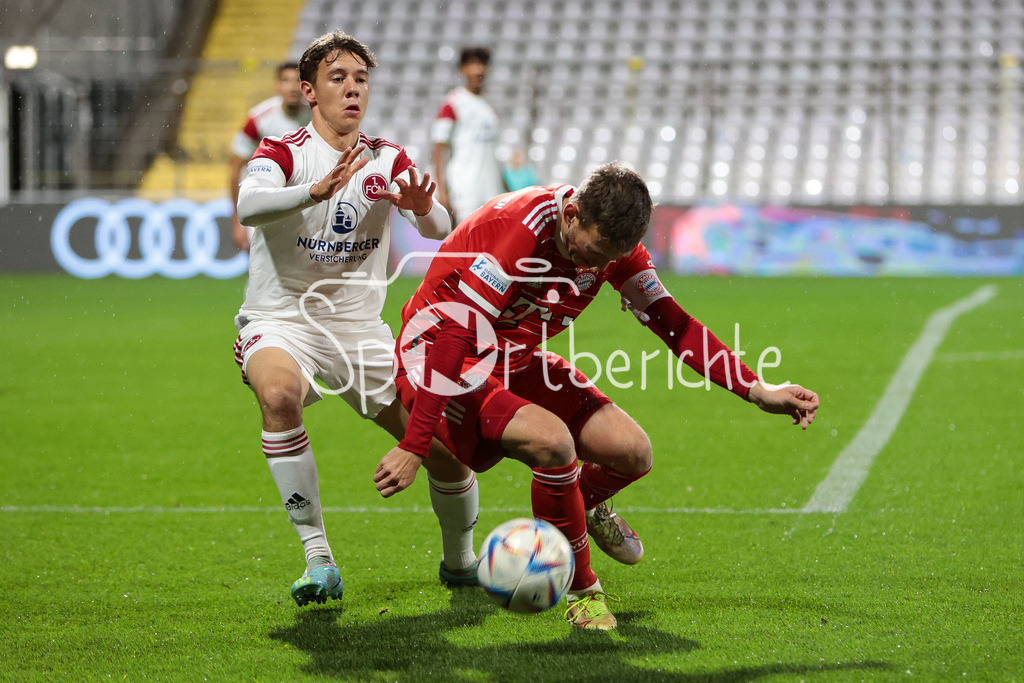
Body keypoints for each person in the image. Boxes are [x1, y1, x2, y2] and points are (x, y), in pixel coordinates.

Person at [373, 164, 820, 630]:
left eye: (610, 260)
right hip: (439, 355)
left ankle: (579, 505)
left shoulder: (610, 249)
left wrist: (756, 389)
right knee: (553, 442)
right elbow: (456, 336)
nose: (596, 268)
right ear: (571, 214)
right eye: (594, 253)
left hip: (513, 357)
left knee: (633, 452)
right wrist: (415, 444)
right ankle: (583, 591)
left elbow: (675, 324)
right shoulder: (519, 230)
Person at [233, 31, 480, 607]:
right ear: (309, 91)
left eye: (361, 79)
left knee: (443, 452)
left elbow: (441, 228)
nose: (352, 89)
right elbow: (249, 206)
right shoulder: (282, 152)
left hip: (360, 331)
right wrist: (311, 192)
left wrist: (425, 210)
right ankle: (318, 557)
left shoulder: (387, 157)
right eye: (338, 78)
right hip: (281, 317)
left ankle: (461, 560)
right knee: (279, 395)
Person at [228, 62, 312, 252]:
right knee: (261, 260)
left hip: (300, 199)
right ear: (277, 86)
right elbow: (235, 166)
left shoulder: (315, 117)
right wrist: (236, 222)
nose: (292, 87)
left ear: (306, 86)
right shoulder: (258, 119)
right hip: (263, 198)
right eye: (286, 80)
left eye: (297, 81)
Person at [431, 46, 506, 224]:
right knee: (468, 236)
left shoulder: (490, 109)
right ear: (462, 69)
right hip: (465, 190)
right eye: (473, 64)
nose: (479, 70)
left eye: (482, 64)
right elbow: (439, 148)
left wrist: (506, 188)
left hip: (491, 190)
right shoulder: (453, 103)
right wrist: (442, 191)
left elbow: (494, 155)